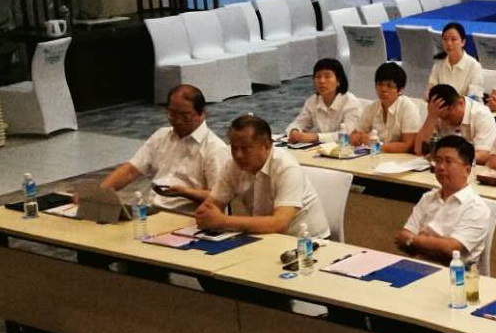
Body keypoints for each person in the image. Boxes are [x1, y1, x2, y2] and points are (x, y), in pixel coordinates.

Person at [193, 115, 331, 238]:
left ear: (266, 146)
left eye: (246, 148)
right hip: (262, 236)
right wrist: (206, 214)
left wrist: (223, 221)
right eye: (234, 148)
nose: (238, 155)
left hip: (305, 241)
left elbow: (279, 223)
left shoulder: (286, 167)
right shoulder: (233, 165)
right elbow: (210, 205)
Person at [100, 84, 227, 213]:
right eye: (172, 114)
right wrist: (99, 195)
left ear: (202, 113)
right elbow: (131, 170)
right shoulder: (161, 135)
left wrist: (186, 192)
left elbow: (220, 198)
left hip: (184, 216)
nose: (177, 121)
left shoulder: (215, 149)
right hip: (151, 209)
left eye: (185, 116)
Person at [395, 135, 494, 266]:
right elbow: (402, 239)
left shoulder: (476, 207)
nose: (441, 167)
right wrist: (434, 244)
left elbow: (452, 251)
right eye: (438, 161)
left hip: (454, 274)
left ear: (467, 170)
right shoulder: (428, 198)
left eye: (448, 161)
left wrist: (415, 240)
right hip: (417, 266)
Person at [285, 58, 365, 144]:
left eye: (327, 76)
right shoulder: (313, 101)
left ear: (338, 81)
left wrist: (316, 137)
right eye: (318, 77)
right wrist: (294, 131)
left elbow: (349, 134)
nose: (322, 81)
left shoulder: (351, 103)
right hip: (320, 149)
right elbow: (299, 123)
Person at [350, 62, 425, 151]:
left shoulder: (408, 107)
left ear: (400, 90)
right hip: (377, 156)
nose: (383, 89)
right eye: (380, 84)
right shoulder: (372, 108)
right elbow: (355, 134)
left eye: (389, 86)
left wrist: (375, 145)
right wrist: (357, 138)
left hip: (400, 158)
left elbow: (409, 145)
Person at [412, 84, 496, 155]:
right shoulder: (436, 113)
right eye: (442, 118)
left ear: (460, 103)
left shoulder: (482, 115)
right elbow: (419, 150)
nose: (447, 122)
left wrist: (454, 158)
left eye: (448, 117)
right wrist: (431, 118)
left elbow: (483, 155)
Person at [426, 22, 484, 97]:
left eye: (453, 39)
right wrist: (429, 96)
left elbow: (475, 98)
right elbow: (430, 89)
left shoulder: (474, 66)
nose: (449, 43)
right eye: (445, 39)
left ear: (463, 42)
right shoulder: (438, 64)